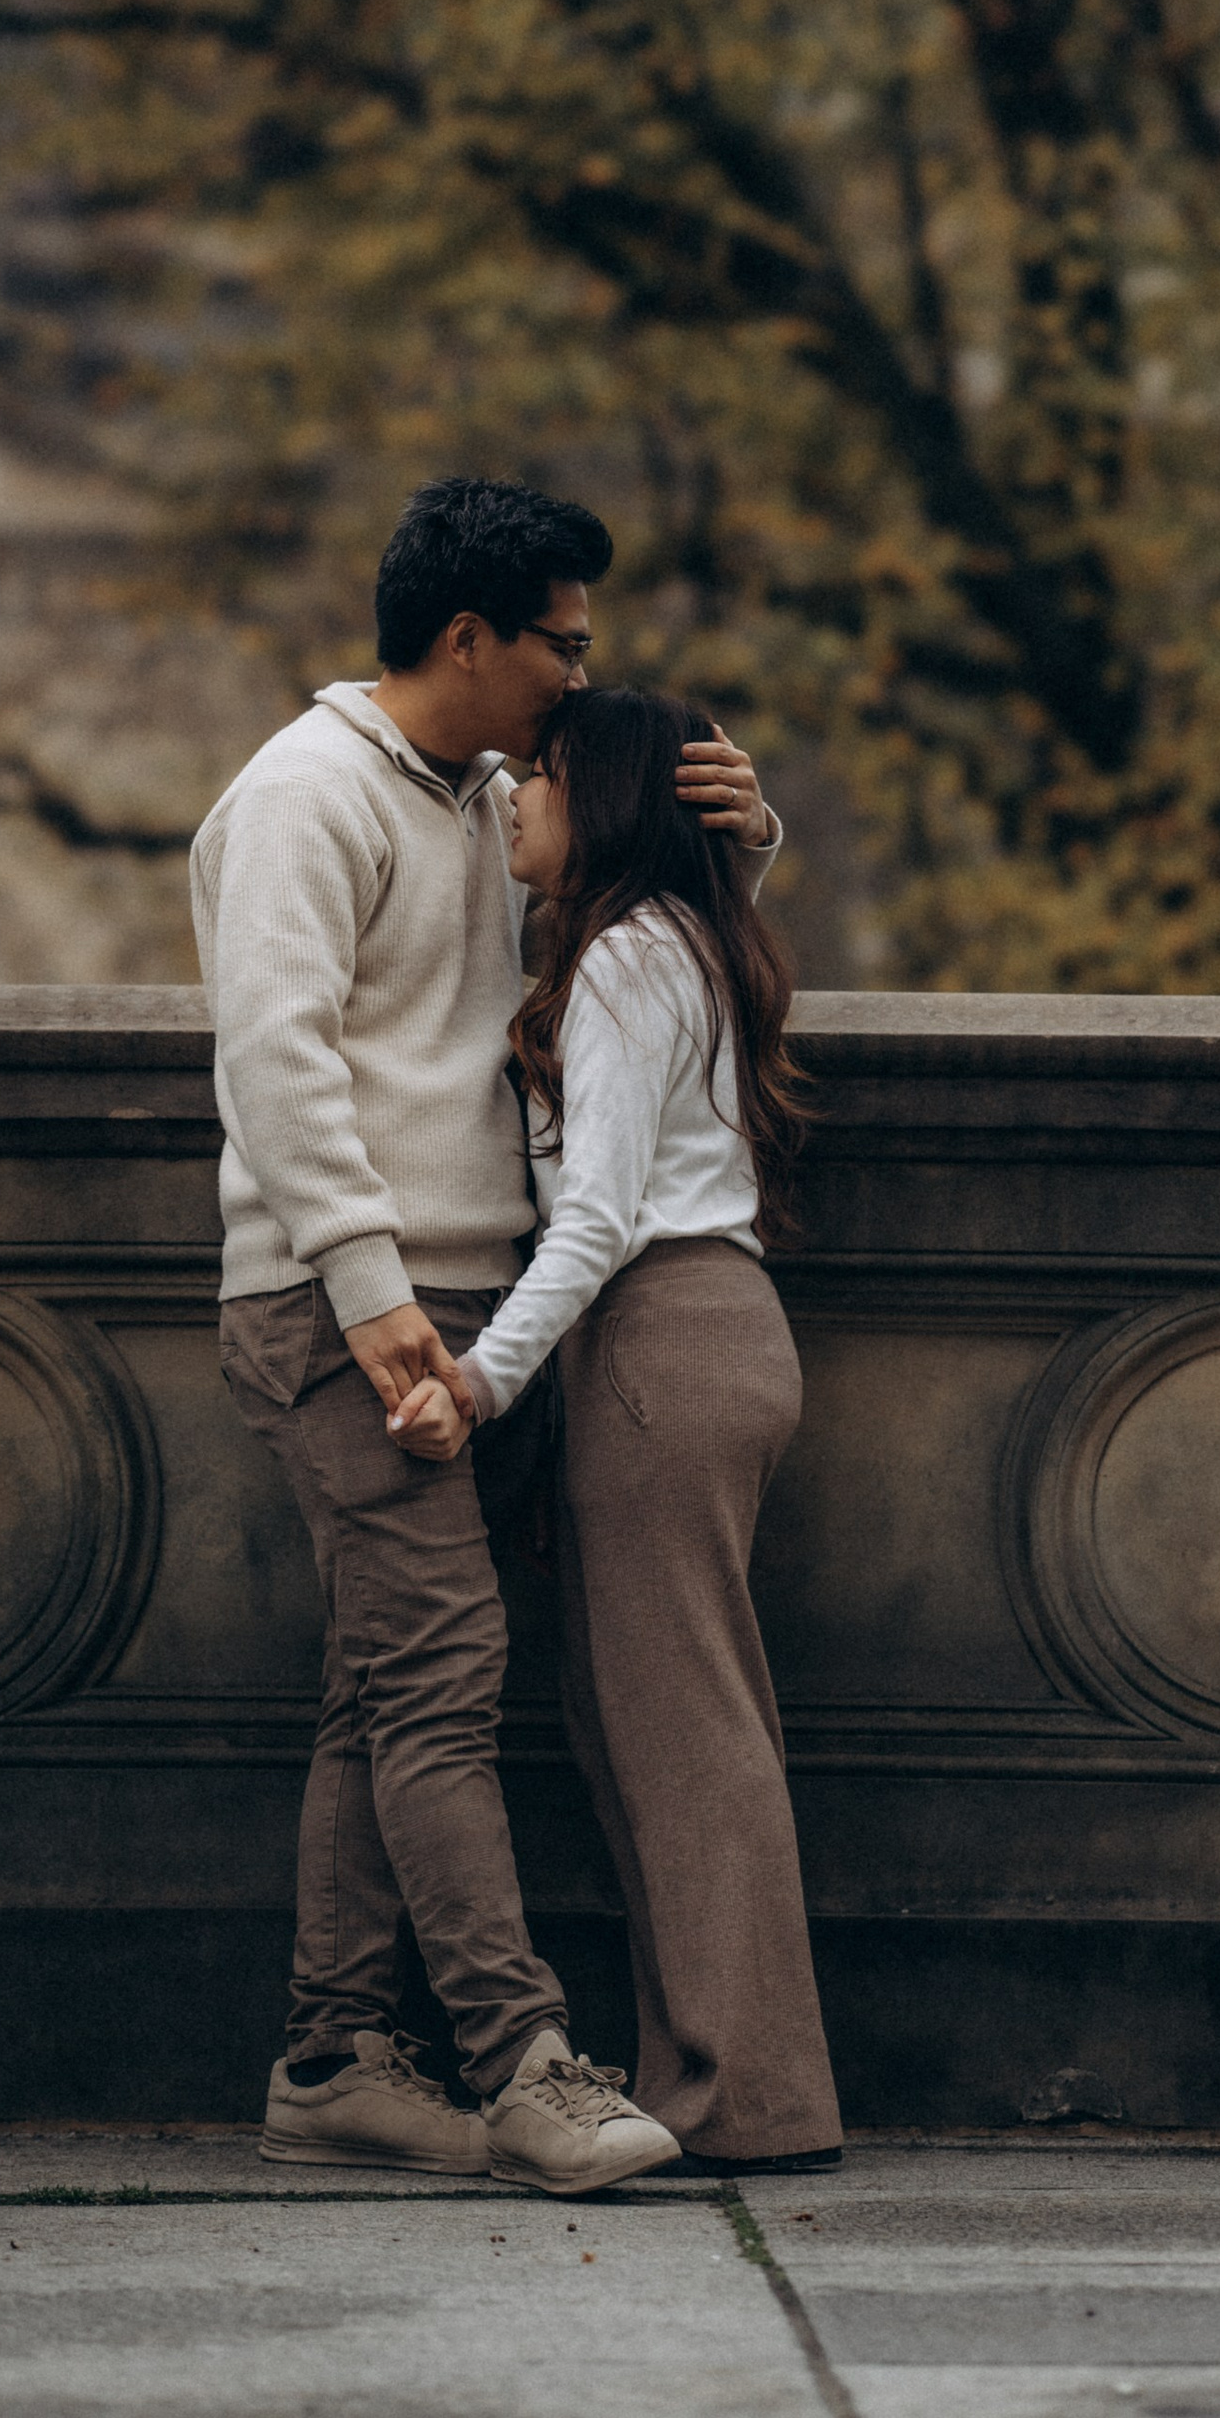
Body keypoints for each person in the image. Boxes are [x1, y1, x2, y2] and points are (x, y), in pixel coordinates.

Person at [193, 479, 777, 2194]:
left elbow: (635, 911)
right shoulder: (301, 796)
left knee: (381, 1697)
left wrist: (753, 833)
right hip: (344, 1305)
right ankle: (526, 2061)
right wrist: (377, 1310)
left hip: (465, 1295)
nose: (581, 682)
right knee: (445, 1679)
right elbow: (276, 1062)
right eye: (562, 645)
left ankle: (328, 2059)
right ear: (471, 637)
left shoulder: (484, 789)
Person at [390, 682, 843, 2178]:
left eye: (547, 774)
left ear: (609, 806)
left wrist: (479, 1378)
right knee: (664, 1726)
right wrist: (755, 836)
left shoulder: (627, 959)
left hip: (660, 1335)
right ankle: (714, 2077)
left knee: (684, 1737)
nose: (516, 791)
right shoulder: (668, 938)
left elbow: (592, 1219)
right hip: (696, 1336)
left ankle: (747, 2098)